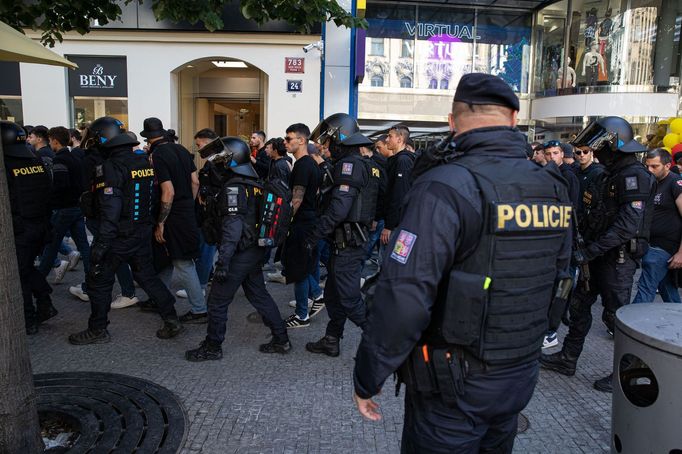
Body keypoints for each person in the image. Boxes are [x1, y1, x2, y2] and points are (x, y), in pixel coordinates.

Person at [352, 74, 572, 452]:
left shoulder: (446, 186)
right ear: (514, 119)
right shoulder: (552, 187)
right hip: (519, 372)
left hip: (453, 383)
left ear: (452, 122)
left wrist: (369, 375)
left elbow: (405, 293)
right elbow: (560, 276)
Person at [540, 116, 656, 393]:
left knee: (617, 319)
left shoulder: (633, 175)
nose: (594, 151)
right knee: (579, 308)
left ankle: (626, 375)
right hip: (596, 255)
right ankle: (568, 358)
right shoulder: (609, 173)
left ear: (613, 144)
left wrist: (590, 250)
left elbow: (628, 225)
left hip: (616, 259)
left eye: (598, 145)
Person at [68, 117, 182, 344]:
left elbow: (111, 208)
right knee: (146, 275)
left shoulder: (110, 167)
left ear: (103, 139)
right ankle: (171, 318)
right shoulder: (143, 162)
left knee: (99, 280)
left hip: (118, 234)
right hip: (141, 231)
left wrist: (101, 243)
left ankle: (97, 330)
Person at [185, 137, 290, 361]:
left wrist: (223, 262)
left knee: (217, 301)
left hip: (240, 251)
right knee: (258, 294)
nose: (216, 162)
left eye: (221, 158)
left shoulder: (234, 186)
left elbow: (232, 228)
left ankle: (213, 347)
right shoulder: (251, 182)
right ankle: (281, 339)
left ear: (231, 160)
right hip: (253, 250)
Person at [304, 113, 378, 357]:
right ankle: (331, 339)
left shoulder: (351, 164)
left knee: (349, 299)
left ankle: (381, 345)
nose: (326, 147)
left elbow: (339, 208)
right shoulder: (360, 163)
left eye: (328, 141)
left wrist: (314, 236)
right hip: (344, 242)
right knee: (333, 295)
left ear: (340, 137)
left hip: (348, 243)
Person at [140, 117, 205, 323]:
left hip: (172, 215)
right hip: (186, 211)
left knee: (183, 262)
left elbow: (168, 191)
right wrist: (188, 204)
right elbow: (195, 182)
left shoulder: (158, 154)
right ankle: (159, 297)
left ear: (149, 139)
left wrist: (161, 222)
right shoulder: (181, 150)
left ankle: (199, 309)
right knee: (167, 259)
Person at [2, 120, 56, 335]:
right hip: (40, 224)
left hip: (21, 227)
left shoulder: (7, 165)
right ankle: (44, 302)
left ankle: (29, 317)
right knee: (27, 268)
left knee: (21, 273)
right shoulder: (36, 162)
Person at [38, 127, 91, 291]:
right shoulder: (74, 157)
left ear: (54, 140)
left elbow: (60, 185)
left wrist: (50, 202)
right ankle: (91, 280)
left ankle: (38, 282)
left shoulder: (60, 159)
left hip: (63, 209)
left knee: (51, 246)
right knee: (83, 246)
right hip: (76, 207)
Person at [281, 123, 323, 328]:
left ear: (302, 140)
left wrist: (284, 223)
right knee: (304, 267)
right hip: (310, 222)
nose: (285, 142)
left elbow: (296, 200)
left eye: (289, 139)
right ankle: (317, 295)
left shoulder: (302, 165)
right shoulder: (311, 164)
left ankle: (302, 315)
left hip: (302, 224)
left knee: (298, 269)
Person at [631, 149, 682, 304]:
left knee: (645, 288)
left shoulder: (675, 183)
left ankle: (630, 324)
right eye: (647, 166)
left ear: (667, 166)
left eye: (655, 166)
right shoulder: (651, 182)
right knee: (667, 288)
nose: (650, 170)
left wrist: (681, 253)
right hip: (650, 243)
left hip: (664, 247)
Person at [176, 128, 220, 305]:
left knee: (206, 249)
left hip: (212, 214)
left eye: (199, 144)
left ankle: (200, 285)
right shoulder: (216, 161)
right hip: (213, 213)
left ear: (209, 142)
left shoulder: (217, 163)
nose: (198, 149)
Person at [381, 125, 415, 245]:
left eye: (390, 136)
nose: (386, 140)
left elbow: (399, 195)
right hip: (393, 223)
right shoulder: (395, 160)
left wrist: (389, 226)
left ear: (400, 139)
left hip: (397, 225)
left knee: (387, 261)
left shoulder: (403, 161)